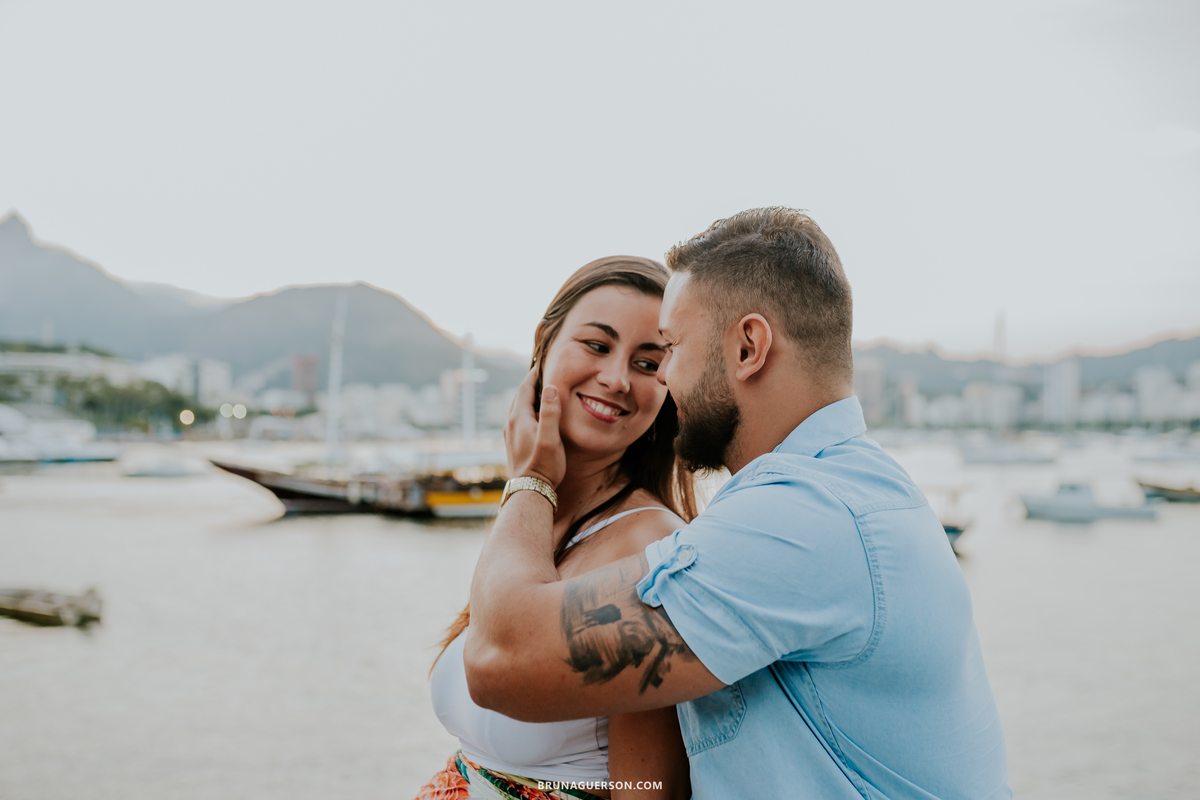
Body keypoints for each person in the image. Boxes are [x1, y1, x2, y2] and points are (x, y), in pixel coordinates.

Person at [463, 208, 1011, 799]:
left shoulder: (802, 522)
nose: (662, 378)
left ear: (748, 346)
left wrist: (530, 477)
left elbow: (502, 658)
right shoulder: (844, 493)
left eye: (669, 347)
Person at [416, 257, 695, 800]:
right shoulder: (536, 519)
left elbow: (650, 789)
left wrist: (531, 478)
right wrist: (531, 485)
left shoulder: (647, 547)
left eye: (646, 363)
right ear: (544, 341)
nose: (616, 379)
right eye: (596, 345)